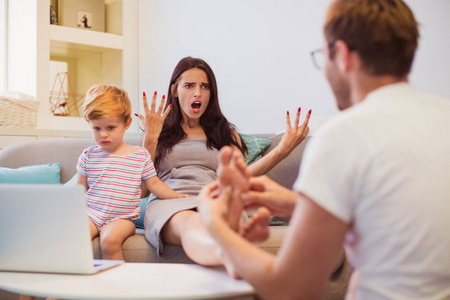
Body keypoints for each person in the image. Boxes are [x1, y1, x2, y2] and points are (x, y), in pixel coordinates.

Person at [197, 0, 450, 299]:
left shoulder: (344, 135)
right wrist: (299, 205)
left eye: (322, 56)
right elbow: (399, 219)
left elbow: (292, 288)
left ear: (341, 55)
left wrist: (215, 226)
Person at [134, 56, 311, 266]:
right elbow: (141, 191)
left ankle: (231, 250)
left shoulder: (225, 133)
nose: (197, 92)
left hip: (214, 197)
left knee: (219, 219)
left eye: (205, 86)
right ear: (175, 90)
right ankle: (232, 255)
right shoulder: (157, 131)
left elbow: (240, 176)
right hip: (170, 202)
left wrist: (281, 151)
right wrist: (151, 137)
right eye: (189, 85)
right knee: (192, 224)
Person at [77, 85, 186, 261]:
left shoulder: (140, 155)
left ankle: (115, 287)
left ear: (126, 123)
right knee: (74, 236)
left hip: (122, 219)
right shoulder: (88, 155)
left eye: (110, 127)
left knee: (109, 240)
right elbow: (78, 191)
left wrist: (175, 197)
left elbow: (154, 184)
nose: (103, 134)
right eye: (96, 128)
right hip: (92, 214)